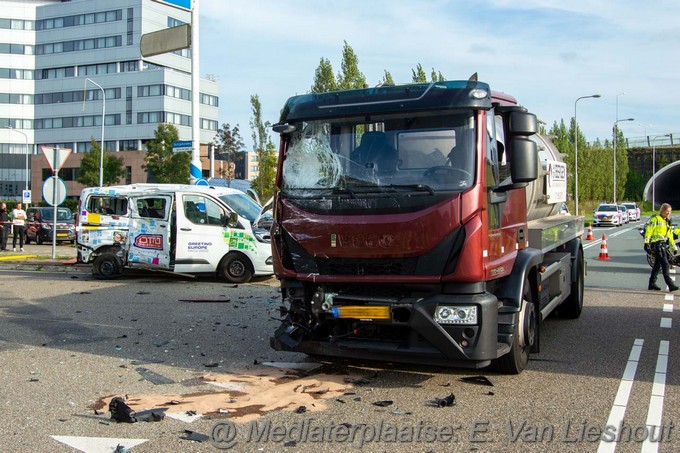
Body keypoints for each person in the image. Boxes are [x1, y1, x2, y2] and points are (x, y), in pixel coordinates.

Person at [644, 203, 679, 291]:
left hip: (663, 245)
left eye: (670, 212)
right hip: (657, 245)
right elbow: (649, 230)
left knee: (657, 265)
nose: (668, 213)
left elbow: (670, 236)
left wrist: (674, 247)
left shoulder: (666, 222)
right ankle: (670, 285)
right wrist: (646, 243)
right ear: (662, 211)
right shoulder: (656, 219)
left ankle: (652, 284)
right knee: (665, 264)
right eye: (667, 211)